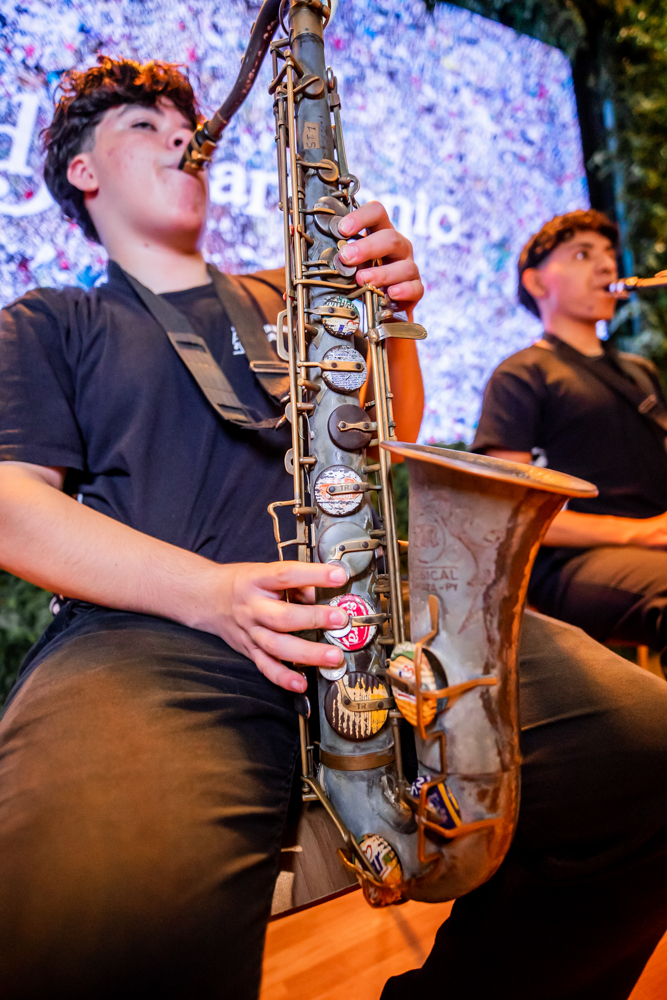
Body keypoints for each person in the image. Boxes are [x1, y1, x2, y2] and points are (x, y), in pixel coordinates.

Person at [0, 60, 666, 1000]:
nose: (181, 132)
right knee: (104, 930)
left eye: (185, 119)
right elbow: (12, 503)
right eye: (144, 124)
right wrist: (209, 593)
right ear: (82, 173)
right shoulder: (52, 318)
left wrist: (389, 317)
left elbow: (384, 433)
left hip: (375, 617)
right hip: (155, 640)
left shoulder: (290, 293)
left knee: (648, 760)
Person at [473, 208, 667, 671]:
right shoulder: (521, 373)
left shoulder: (640, 372)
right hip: (570, 565)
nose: (606, 266)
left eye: (607, 255)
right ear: (538, 284)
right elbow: (510, 510)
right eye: (583, 254)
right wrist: (644, 533)